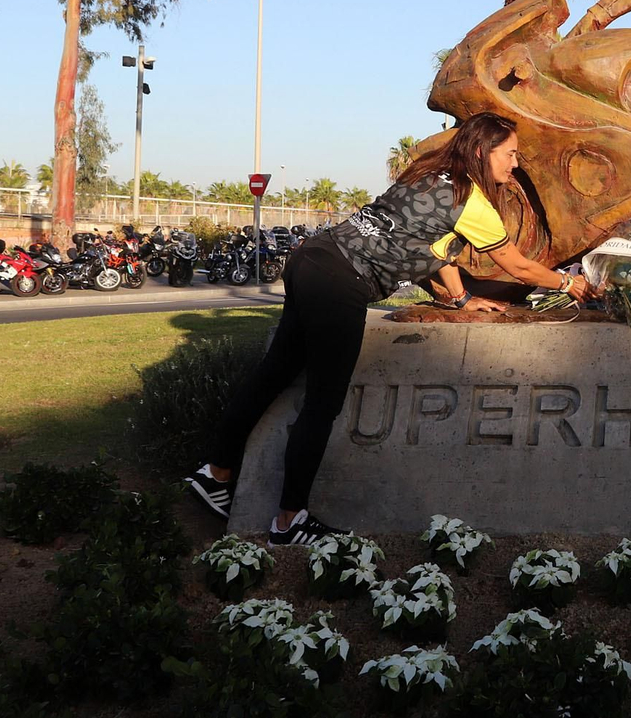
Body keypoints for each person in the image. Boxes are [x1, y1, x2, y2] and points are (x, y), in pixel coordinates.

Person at [186, 112, 595, 545]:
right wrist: (571, 283)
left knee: (274, 374)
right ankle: (288, 522)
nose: (515, 164)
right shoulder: (471, 200)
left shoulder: (427, 173)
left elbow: (436, 249)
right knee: (322, 405)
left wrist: (460, 299)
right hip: (341, 281)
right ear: (481, 150)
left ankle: (216, 474)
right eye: (510, 154)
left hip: (313, 259)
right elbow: (515, 264)